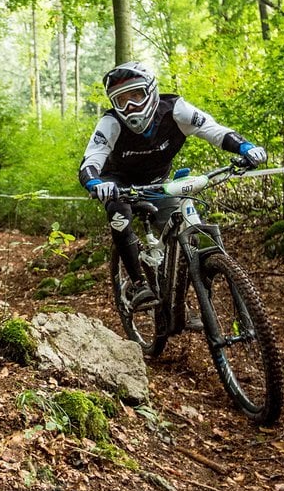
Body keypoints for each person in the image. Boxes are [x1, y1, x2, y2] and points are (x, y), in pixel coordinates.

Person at [79, 61, 268, 310]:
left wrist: (246, 147)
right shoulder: (111, 123)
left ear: (152, 91)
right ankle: (138, 284)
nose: (131, 106)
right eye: (122, 100)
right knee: (119, 213)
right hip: (118, 184)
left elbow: (213, 130)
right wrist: (95, 182)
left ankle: (178, 291)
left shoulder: (175, 110)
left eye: (136, 95)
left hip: (158, 184)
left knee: (189, 235)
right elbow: (91, 159)